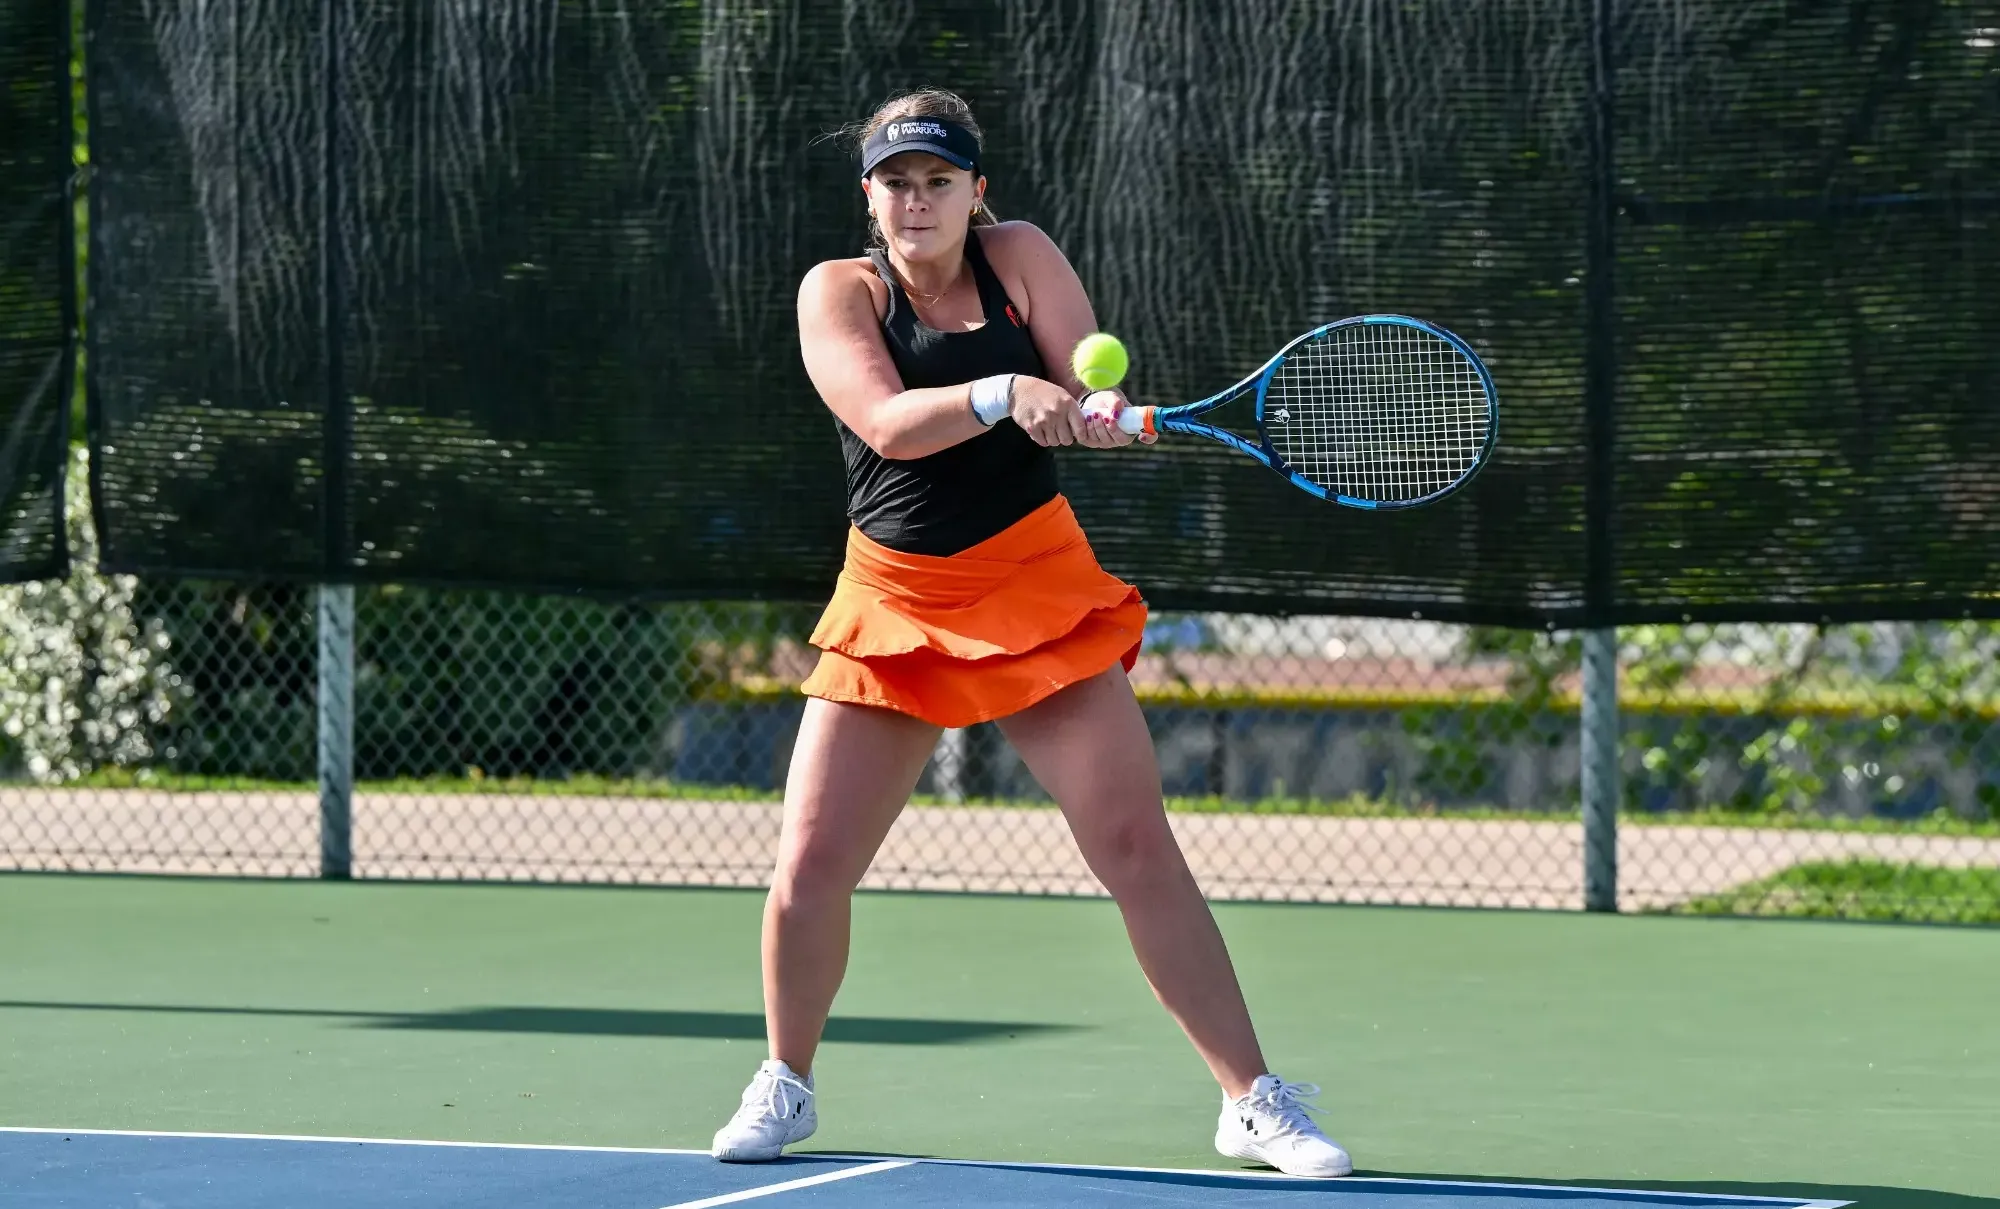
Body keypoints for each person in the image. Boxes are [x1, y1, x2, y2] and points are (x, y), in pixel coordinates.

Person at [707, 88, 1351, 1180]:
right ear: (868, 196)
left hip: (1035, 585)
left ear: (974, 191)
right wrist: (1003, 388)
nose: (916, 202)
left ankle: (1250, 1102)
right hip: (895, 599)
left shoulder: (1019, 256)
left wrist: (1091, 409)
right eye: (895, 183)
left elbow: (1075, 384)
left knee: (1137, 849)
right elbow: (883, 426)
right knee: (810, 866)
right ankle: (786, 1081)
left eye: (937, 181)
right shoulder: (840, 290)